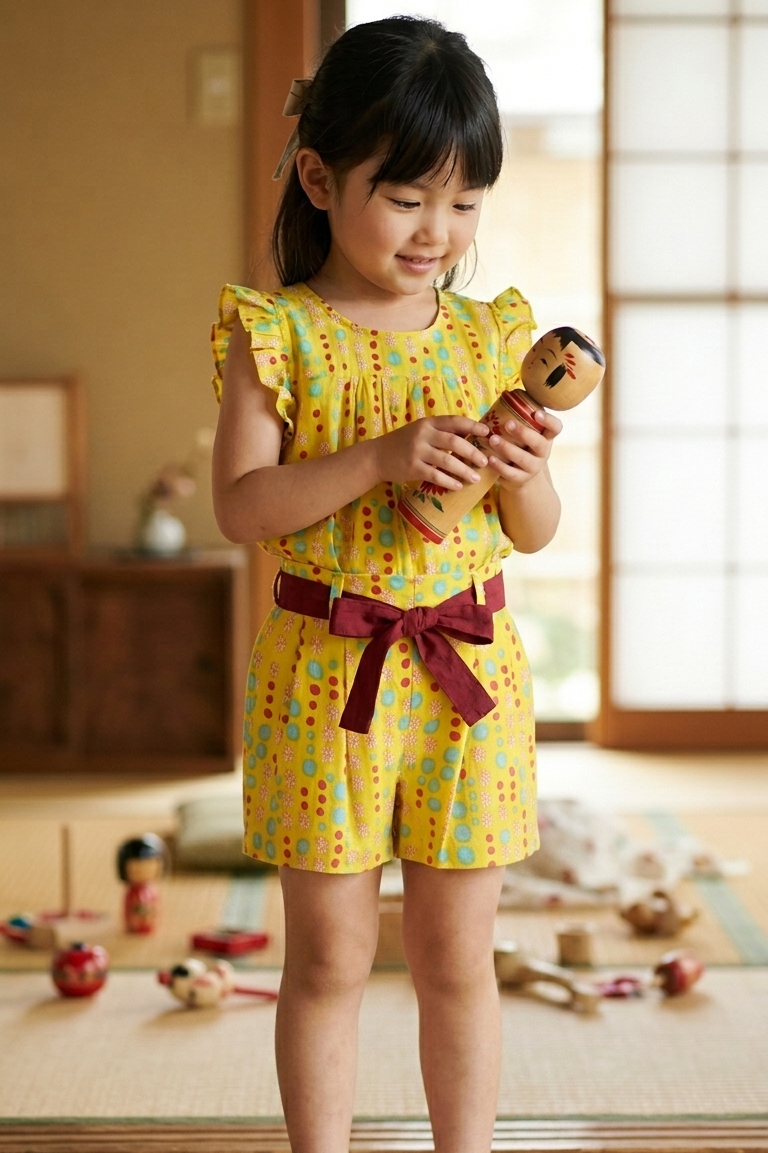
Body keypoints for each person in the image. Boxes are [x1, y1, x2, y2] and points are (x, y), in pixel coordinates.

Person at [211, 16, 562, 1153]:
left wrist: (531, 473)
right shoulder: (280, 335)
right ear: (318, 176)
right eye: (407, 197)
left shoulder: (489, 336)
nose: (438, 232)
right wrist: (376, 457)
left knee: (460, 958)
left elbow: (534, 532)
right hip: (326, 682)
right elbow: (242, 510)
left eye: (464, 204)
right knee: (328, 958)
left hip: (468, 678)